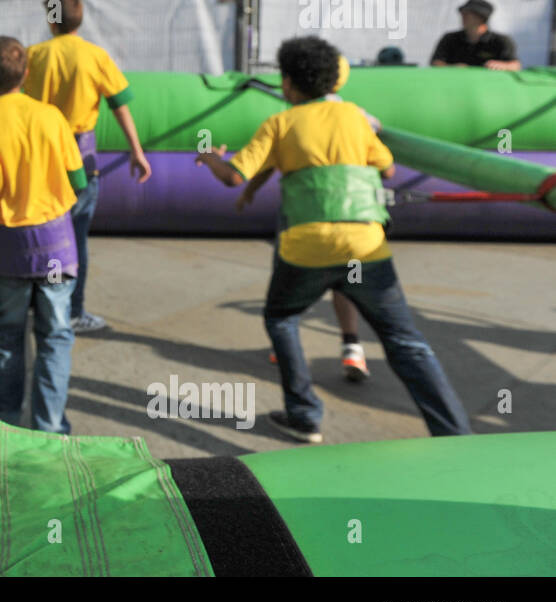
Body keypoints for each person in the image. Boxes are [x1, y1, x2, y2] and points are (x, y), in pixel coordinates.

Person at [196, 36, 472, 444]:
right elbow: (390, 171)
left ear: (288, 84)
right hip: (365, 245)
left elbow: (234, 176)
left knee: (282, 317)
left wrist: (209, 157)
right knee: (404, 341)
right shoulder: (355, 119)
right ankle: (455, 435)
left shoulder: (280, 123)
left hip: (307, 249)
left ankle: (304, 415)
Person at [0, 0, 151, 333]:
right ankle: (70, 309)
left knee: (34, 226)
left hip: (36, 153)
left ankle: (26, 296)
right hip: (79, 155)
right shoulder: (95, 57)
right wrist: (137, 150)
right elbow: (120, 104)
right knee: (74, 237)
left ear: (51, 20)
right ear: (79, 19)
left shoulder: (35, 55)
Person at [0, 36, 85, 434]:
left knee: (7, 335)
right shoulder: (52, 116)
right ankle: (50, 426)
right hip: (57, 248)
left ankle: (7, 420)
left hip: (11, 249)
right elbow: (78, 179)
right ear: (27, 73)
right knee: (55, 336)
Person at [237, 55, 380, 381]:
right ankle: (352, 348)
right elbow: (384, 157)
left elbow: (265, 162)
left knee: (288, 290)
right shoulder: (354, 116)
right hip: (352, 219)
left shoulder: (290, 120)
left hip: (303, 222)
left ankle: (286, 348)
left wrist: (248, 190)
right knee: (348, 284)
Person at [430, 0, 521, 70]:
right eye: (462, 13)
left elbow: (515, 65)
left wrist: (502, 66)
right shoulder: (450, 39)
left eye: (468, 14)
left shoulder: (501, 41)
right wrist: (453, 68)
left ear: (481, 17)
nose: (463, 16)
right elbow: (435, 63)